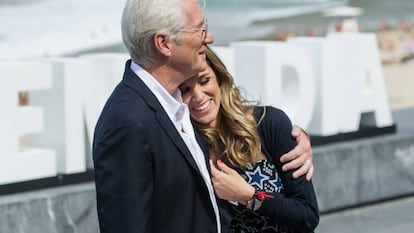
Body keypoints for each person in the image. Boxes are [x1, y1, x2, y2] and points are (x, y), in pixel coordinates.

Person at [93, 0, 314, 232]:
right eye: (199, 29)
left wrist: (299, 138)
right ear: (164, 43)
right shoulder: (127, 122)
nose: (208, 38)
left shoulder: (173, 108)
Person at [179, 46, 319, 232]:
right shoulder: (185, 145)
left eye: (204, 81)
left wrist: (249, 196)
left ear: (220, 79)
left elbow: (307, 215)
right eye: (185, 90)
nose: (198, 96)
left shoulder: (269, 124)